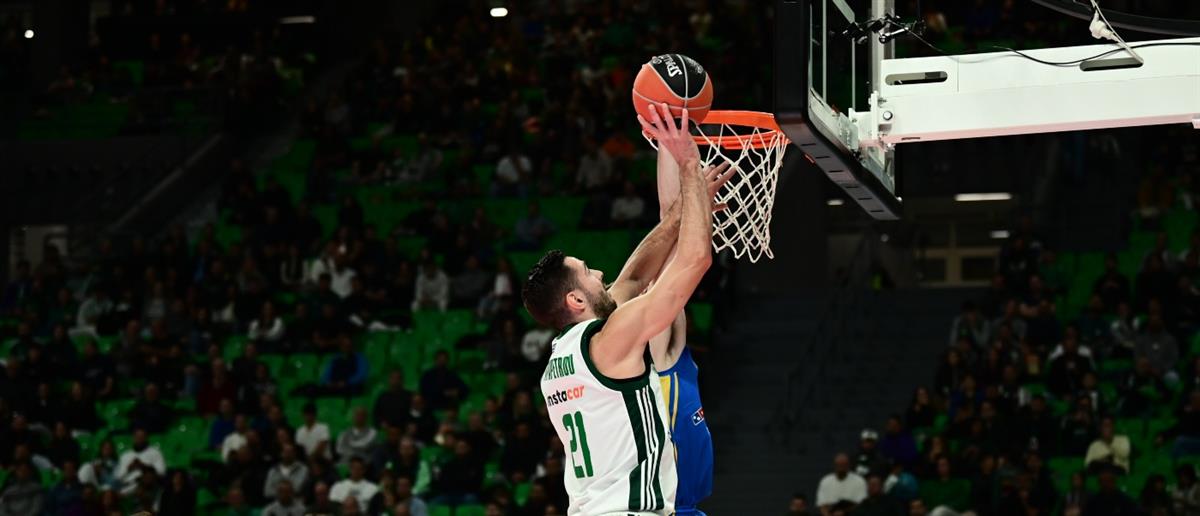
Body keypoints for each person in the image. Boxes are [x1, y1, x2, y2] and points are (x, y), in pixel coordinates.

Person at [521, 104, 720, 515]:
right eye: (588, 272)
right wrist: (688, 165)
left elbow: (633, 279)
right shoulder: (609, 343)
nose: (600, 273)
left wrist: (680, 214)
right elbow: (694, 260)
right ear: (576, 301)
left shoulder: (561, 360)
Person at [641, 110, 733, 516]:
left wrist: (669, 139)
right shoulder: (660, 361)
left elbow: (670, 222)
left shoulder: (669, 365)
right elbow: (670, 224)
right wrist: (677, 151)